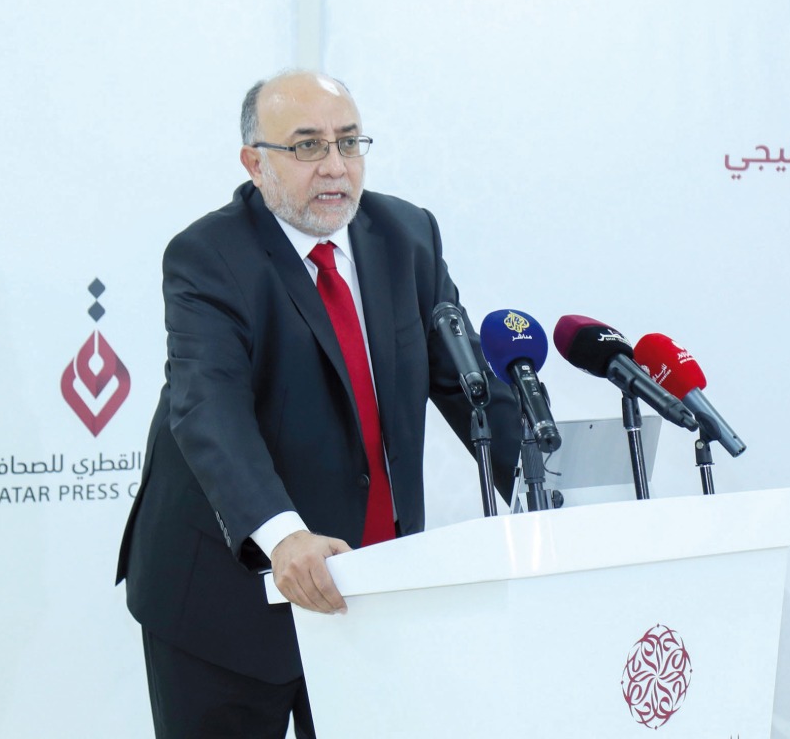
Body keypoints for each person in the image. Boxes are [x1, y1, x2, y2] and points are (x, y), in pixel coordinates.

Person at [116, 69, 521, 738]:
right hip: (226, 595)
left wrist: (551, 492)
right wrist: (281, 533)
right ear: (255, 162)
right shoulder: (209, 256)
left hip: (368, 587)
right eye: (306, 146)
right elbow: (208, 406)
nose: (335, 167)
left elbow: (467, 384)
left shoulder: (407, 236)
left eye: (349, 142)